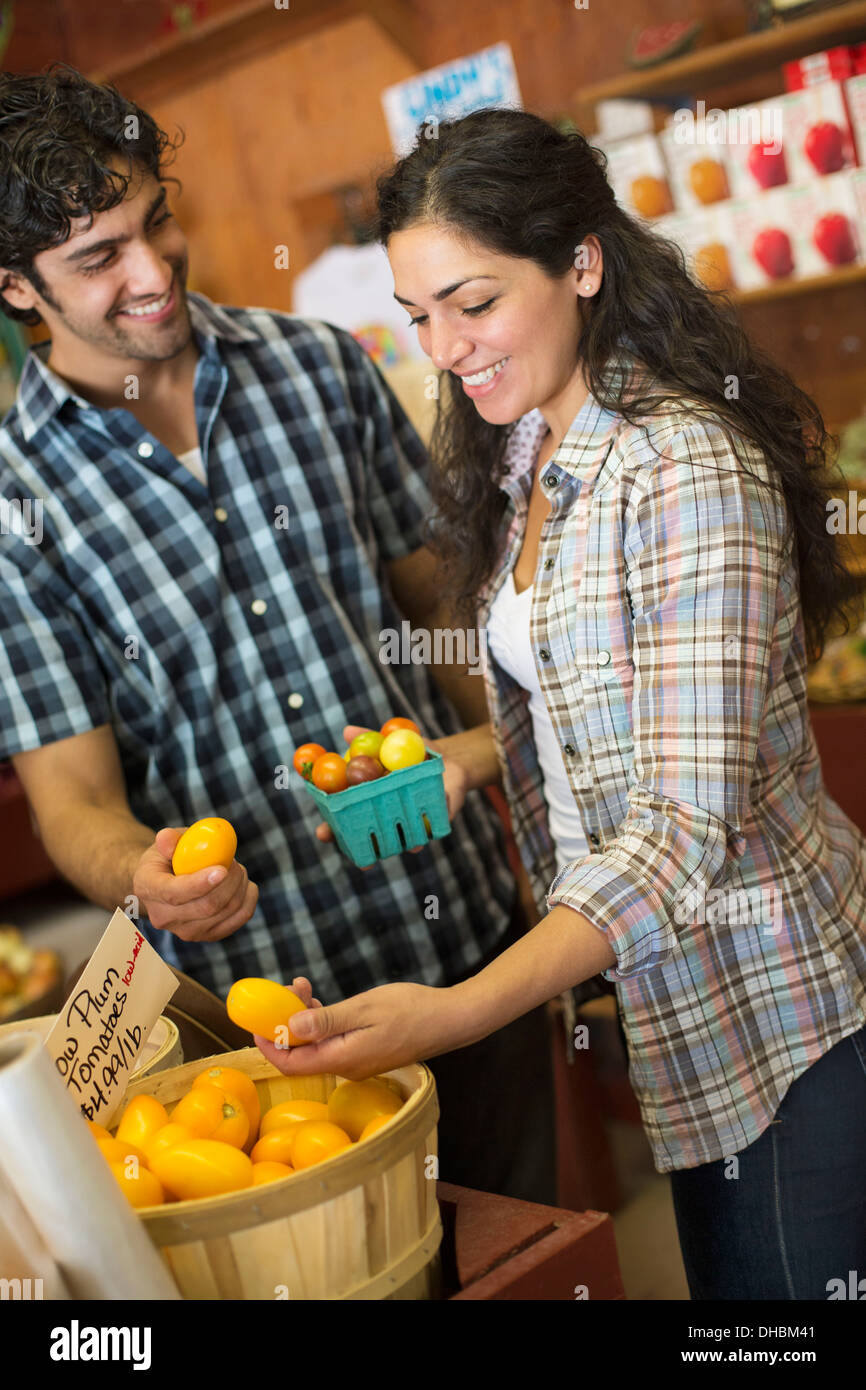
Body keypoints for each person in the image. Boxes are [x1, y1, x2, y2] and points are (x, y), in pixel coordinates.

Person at [258, 108, 866, 1301]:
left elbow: (686, 823)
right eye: (418, 315)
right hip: (670, 1019)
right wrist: (474, 758)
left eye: (473, 304)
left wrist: (452, 1013)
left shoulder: (686, 470)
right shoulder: (528, 445)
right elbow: (603, 692)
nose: (443, 348)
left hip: (779, 1022)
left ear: (581, 262)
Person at [0, 69, 559, 1204]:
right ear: (16, 286)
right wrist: (144, 878)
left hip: (465, 939)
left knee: (533, 1251)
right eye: (98, 258)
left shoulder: (313, 365)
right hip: (269, 1034)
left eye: (154, 220)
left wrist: (498, 749)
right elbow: (73, 805)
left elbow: (443, 608)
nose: (152, 272)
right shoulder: (14, 509)